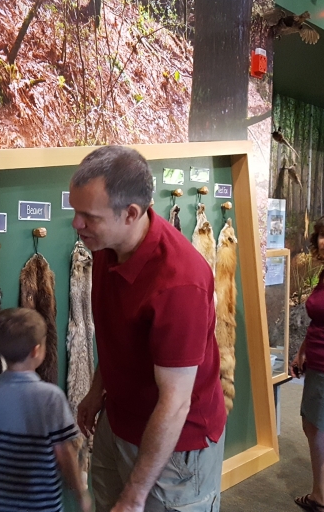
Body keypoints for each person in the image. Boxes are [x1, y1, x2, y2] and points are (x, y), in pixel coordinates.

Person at [68, 145, 227, 512]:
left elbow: (175, 402)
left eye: (88, 216)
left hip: (176, 443)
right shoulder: (105, 247)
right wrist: (97, 390)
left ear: (131, 213)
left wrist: (136, 494)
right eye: (75, 212)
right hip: (119, 419)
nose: (77, 224)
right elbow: (116, 334)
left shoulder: (179, 282)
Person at [0, 307, 92, 512]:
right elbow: (64, 452)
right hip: (41, 505)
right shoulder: (51, 397)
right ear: (36, 350)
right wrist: (80, 492)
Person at [290, 212, 324, 512]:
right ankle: (318, 498)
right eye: (322, 235)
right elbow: (319, 324)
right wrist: (302, 351)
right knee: (314, 428)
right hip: (318, 365)